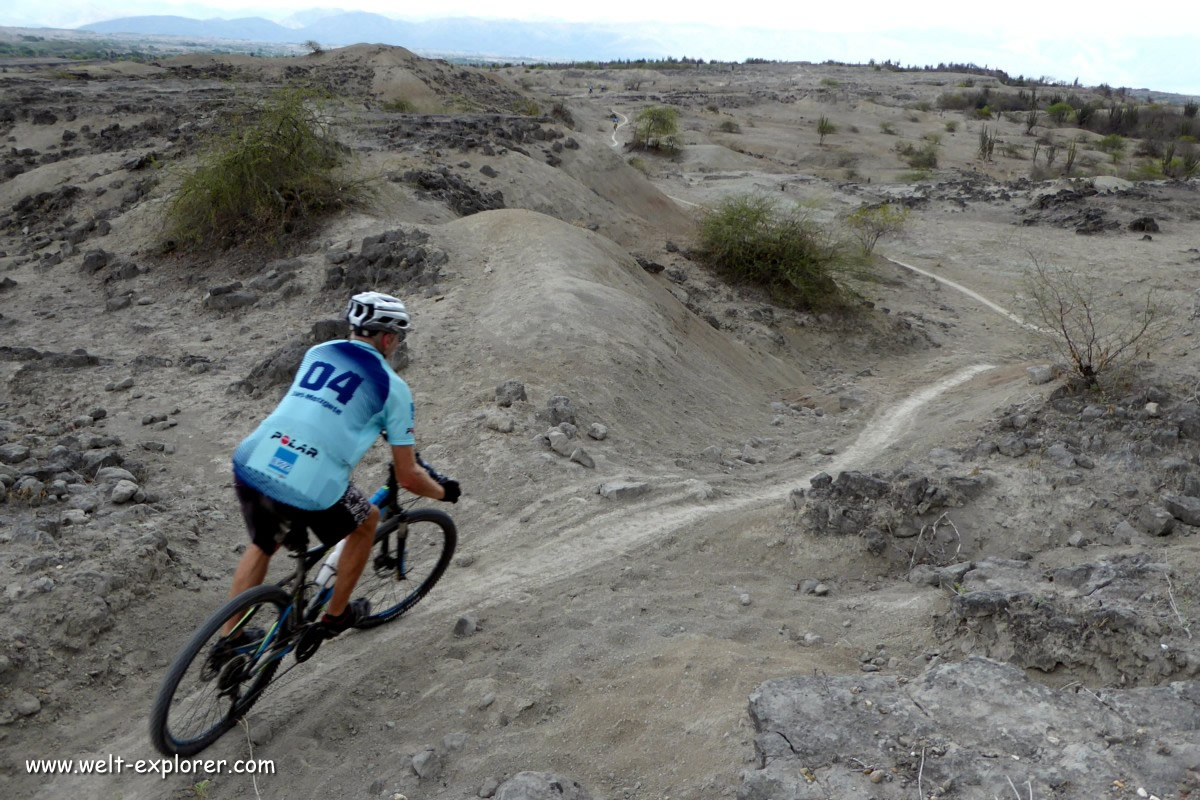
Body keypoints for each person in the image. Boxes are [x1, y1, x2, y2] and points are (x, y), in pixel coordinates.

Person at [220, 291, 460, 646]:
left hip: (256, 456)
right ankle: (336, 615)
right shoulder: (393, 388)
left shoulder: (319, 351)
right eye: (399, 338)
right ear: (389, 338)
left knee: (264, 543)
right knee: (367, 522)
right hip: (310, 479)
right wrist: (444, 491)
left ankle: (230, 638)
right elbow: (408, 476)